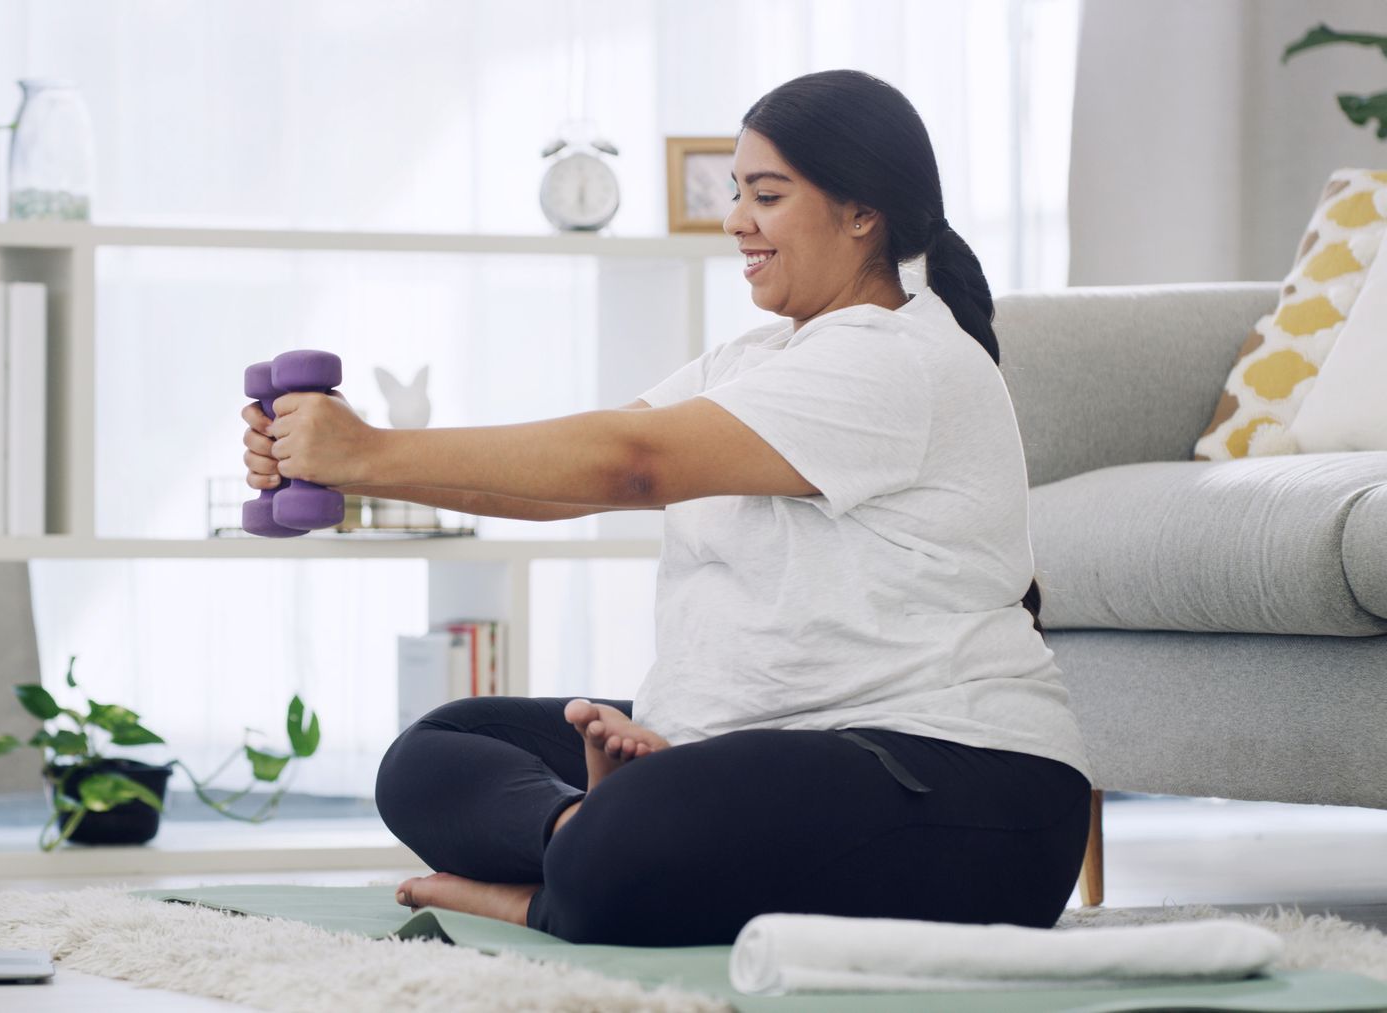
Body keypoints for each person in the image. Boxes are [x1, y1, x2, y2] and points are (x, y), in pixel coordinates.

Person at [239, 69, 1091, 948]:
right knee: (432, 753)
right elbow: (555, 487)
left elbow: (631, 464)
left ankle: (559, 881)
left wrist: (367, 449)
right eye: (735, 194)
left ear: (862, 212)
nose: (735, 221)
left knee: (643, 826)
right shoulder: (756, 357)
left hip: (962, 785)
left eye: (767, 194)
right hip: (738, 752)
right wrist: (348, 470)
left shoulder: (897, 358)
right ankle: (584, 840)